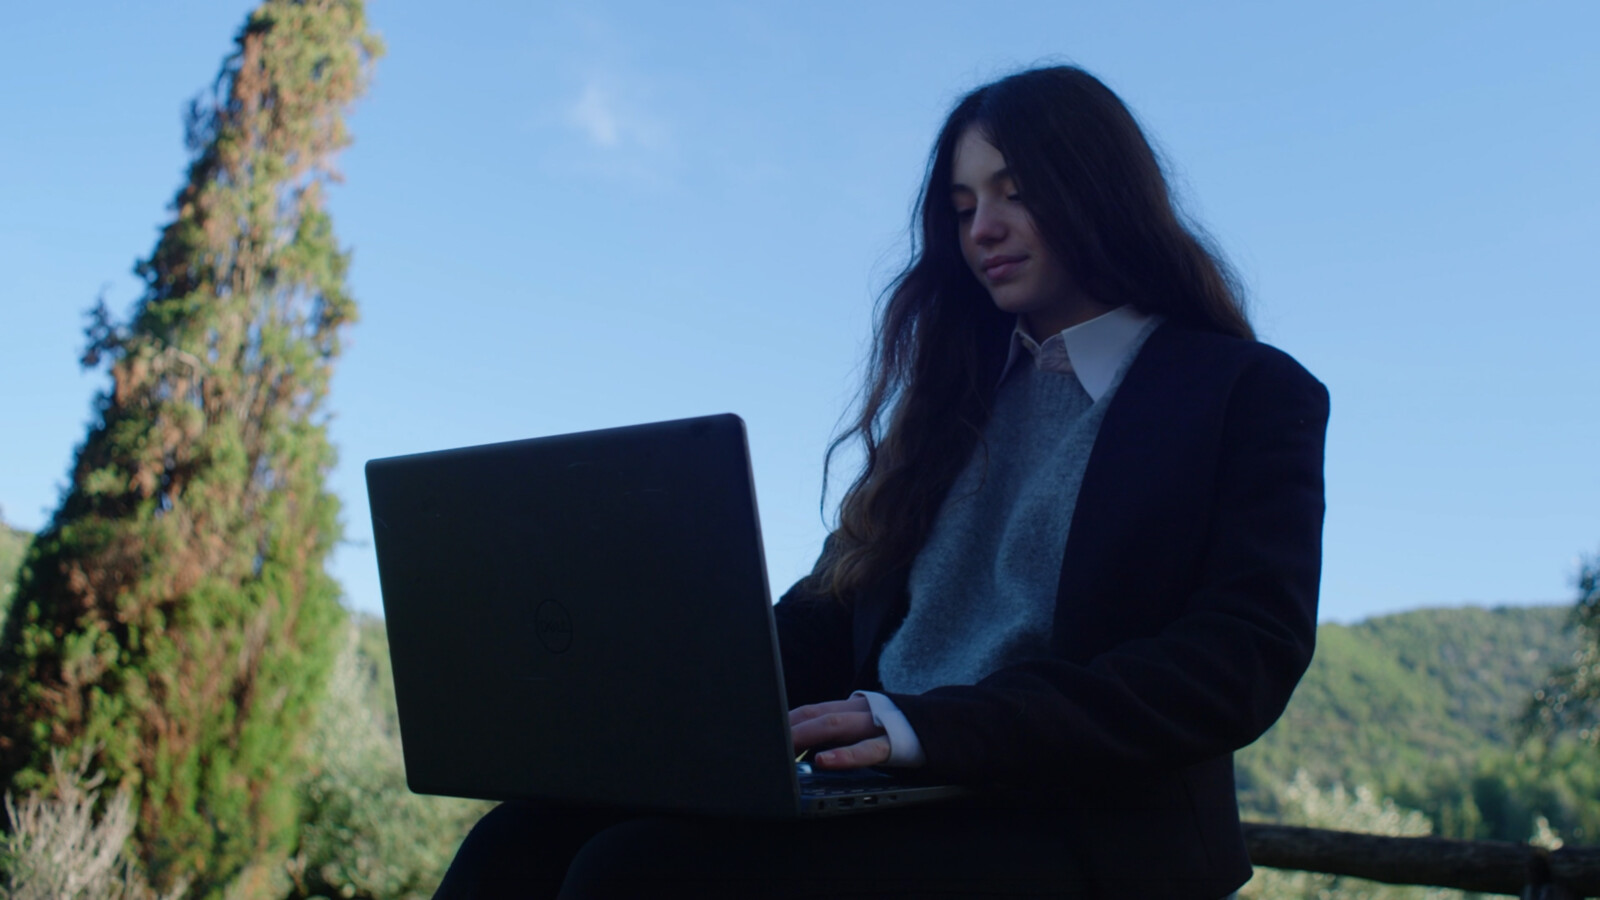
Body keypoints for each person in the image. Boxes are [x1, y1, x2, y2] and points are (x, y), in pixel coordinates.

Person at [435, 65, 1328, 900]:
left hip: (1074, 820)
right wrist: (655, 693)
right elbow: (828, 616)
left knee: (640, 875)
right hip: (887, 793)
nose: (982, 227)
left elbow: (1238, 659)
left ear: (1101, 190)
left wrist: (925, 728)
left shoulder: (1244, 394)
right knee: (520, 840)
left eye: (1017, 191)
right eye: (963, 203)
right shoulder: (949, 407)